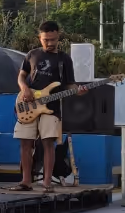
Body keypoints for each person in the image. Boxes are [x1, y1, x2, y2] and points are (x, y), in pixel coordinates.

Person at [12, 21, 79, 192]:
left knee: (48, 143)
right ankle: (26, 181)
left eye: (53, 40)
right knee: (25, 143)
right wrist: (25, 88)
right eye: (45, 40)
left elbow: (70, 85)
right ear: (39, 37)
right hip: (29, 103)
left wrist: (80, 90)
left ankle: (47, 183)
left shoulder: (64, 59)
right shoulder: (32, 54)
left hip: (52, 107)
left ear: (58, 37)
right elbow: (21, 77)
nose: (49, 43)